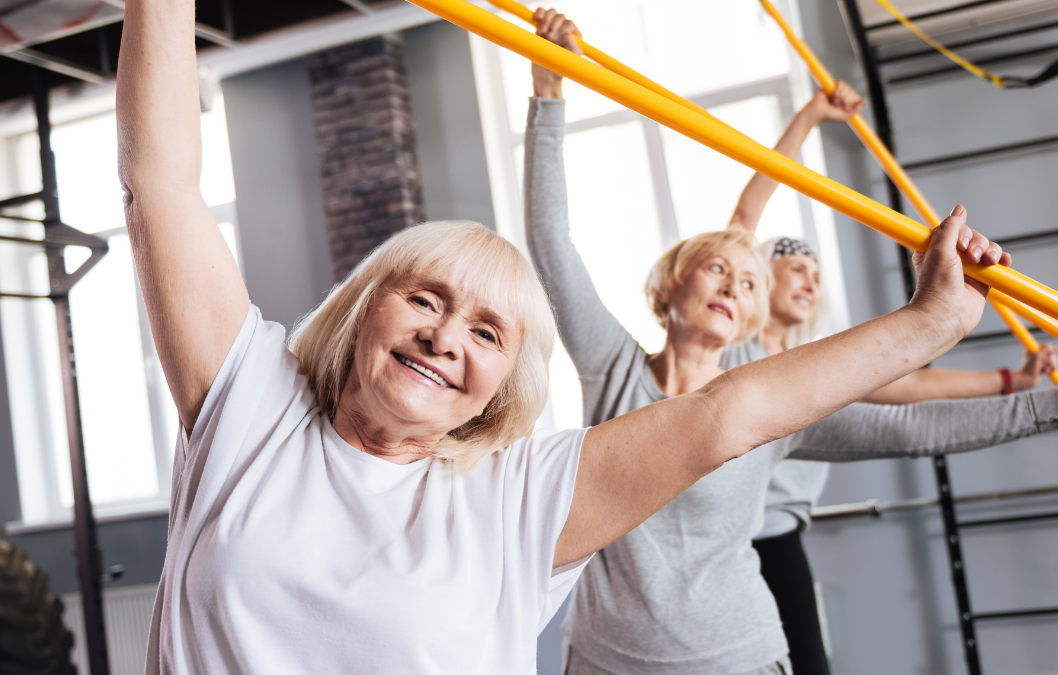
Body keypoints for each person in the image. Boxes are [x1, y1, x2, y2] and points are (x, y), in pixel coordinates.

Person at [120, 0, 1023, 671]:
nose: (444, 338)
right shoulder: (254, 409)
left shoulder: (518, 494)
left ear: (505, 386)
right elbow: (162, 181)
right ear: (364, 304)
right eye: (424, 299)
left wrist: (938, 328)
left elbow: (730, 415)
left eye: (485, 330)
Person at [524, 10, 1058, 675]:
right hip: (606, 661)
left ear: (755, 316)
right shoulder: (613, 370)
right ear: (670, 286)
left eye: (750, 281)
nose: (732, 283)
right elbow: (552, 243)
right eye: (717, 268)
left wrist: (1043, 401)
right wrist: (549, 94)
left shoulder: (769, 399)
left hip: (740, 657)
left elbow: (913, 425)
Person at [726, 133, 1058, 675]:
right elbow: (747, 209)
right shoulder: (733, 342)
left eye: (816, 273)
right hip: (725, 534)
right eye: (796, 268)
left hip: (779, 537)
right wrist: (814, 113)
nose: (811, 280)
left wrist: (1012, 379)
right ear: (761, 275)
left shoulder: (817, 362)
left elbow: (913, 391)